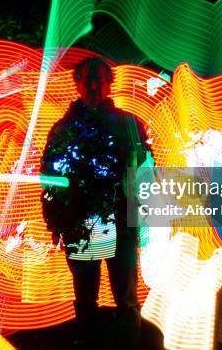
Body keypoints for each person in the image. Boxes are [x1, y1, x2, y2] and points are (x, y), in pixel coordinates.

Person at [41, 57, 151, 349]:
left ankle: (127, 343)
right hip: (81, 223)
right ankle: (93, 341)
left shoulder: (129, 124)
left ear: (110, 82)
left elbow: (145, 171)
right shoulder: (64, 128)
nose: (94, 87)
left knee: (124, 295)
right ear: (76, 82)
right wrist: (55, 221)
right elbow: (50, 177)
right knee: (87, 294)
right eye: (88, 80)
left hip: (119, 222)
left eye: (100, 80)